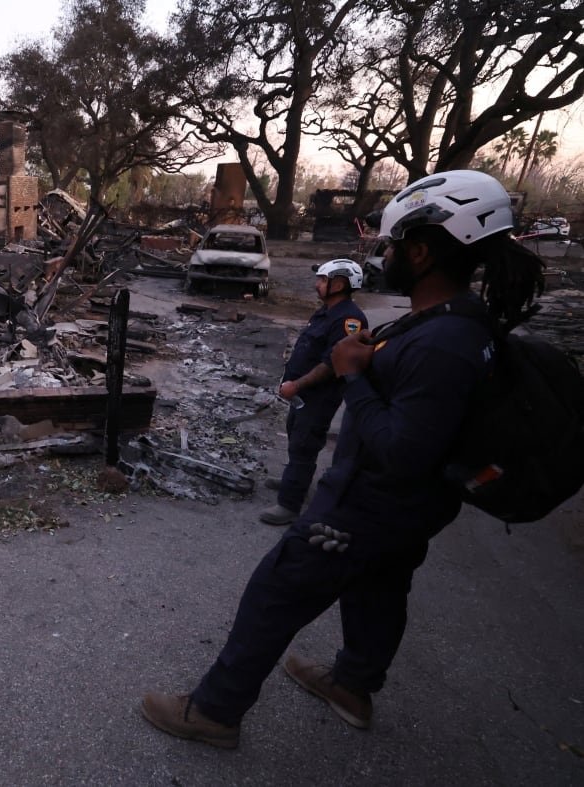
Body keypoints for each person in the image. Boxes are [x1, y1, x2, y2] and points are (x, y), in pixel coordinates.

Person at [140, 170, 544, 749]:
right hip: (411, 512)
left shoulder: (440, 343)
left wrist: (353, 376)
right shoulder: (458, 324)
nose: (386, 255)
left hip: (365, 506)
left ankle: (214, 710)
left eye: (393, 245)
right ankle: (352, 686)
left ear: (422, 251)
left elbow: (402, 450)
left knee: (274, 593)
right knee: (379, 590)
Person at [260, 259, 367, 526]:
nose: (316, 284)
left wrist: (297, 385)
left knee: (305, 443)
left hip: (319, 395)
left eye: (321, 280)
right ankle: (293, 481)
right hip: (303, 393)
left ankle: (289, 504)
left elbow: (331, 363)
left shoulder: (348, 319)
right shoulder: (325, 312)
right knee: (295, 433)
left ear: (339, 284)